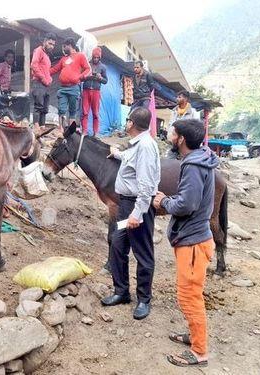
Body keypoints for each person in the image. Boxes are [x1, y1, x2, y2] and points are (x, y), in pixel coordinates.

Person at [152, 118, 218, 368]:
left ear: (180, 139)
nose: (168, 132)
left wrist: (163, 202)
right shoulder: (201, 158)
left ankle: (199, 351)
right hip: (194, 239)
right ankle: (194, 336)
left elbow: (187, 204)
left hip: (192, 243)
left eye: (172, 131)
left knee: (189, 296)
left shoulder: (192, 166)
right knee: (190, 293)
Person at [101, 107, 161, 320]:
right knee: (118, 245)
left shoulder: (145, 146)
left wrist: (137, 214)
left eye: (127, 120)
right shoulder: (138, 145)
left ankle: (144, 299)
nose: (126, 124)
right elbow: (130, 159)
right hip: (126, 207)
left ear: (131, 124)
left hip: (138, 207)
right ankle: (121, 291)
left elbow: (145, 185)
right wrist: (117, 153)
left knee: (143, 253)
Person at [50, 38, 91, 130]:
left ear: (70, 45)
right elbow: (54, 69)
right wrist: (44, 71)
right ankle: (61, 130)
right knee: (61, 110)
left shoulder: (80, 56)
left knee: (72, 112)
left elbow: (88, 69)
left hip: (74, 88)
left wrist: (81, 77)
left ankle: (71, 133)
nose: (63, 49)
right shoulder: (63, 59)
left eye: (64, 46)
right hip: (63, 89)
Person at [31, 33, 56, 128]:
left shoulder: (46, 55)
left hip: (45, 85)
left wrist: (49, 78)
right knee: (38, 107)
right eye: (50, 43)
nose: (52, 46)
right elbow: (34, 65)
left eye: (53, 44)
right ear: (44, 41)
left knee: (45, 109)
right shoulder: (39, 51)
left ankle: (42, 128)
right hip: (39, 83)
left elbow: (46, 70)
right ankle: (36, 130)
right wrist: (44, 79)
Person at [81, 47, 107, 137]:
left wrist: (100, 78)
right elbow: (81, 77)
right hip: (86, 90)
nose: (95, 59)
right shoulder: (87, 64)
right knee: (84, 112)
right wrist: (88, 76)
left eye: (97, 57)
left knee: (95, 113)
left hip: (96, 91)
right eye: (94, 57)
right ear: (92, 56)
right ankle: (84, 131)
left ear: (100, 57)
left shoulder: (103, 67)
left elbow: (105, 81)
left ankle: (95, 133)